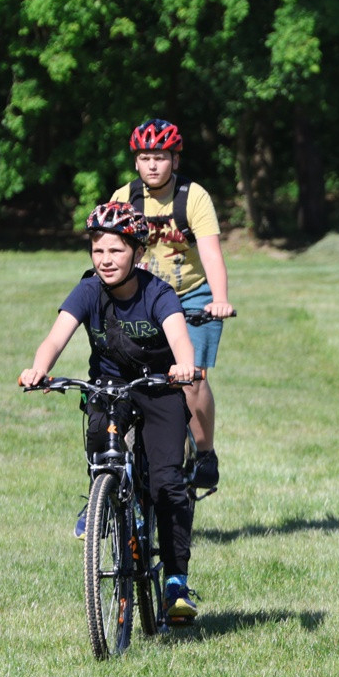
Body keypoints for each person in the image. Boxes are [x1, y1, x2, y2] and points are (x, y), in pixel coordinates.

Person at [19, 202, 200, 621]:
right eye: (98, 251)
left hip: (159, 386)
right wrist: (39, 369)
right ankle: (103, 497)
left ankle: (176, 582)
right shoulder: (87, 291)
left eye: (116, 251)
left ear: (136, 253)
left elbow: (180, 339)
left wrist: (183, 364)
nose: (106, 260)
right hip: (109, 385)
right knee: (102, 447)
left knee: (167, 483)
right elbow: (55, 338)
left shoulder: (158, 294)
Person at [109, 119, 233, 491]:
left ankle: (205, 452)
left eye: (160, 157)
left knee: (191, 379)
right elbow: (109, 250)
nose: (152, 165)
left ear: (174, 161)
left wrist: (221, 299)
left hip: (192, 296)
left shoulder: (193, 197)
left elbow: (210, 253)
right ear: (136, 162)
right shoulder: (124, 198)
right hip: (144, 297)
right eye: (145, 157)